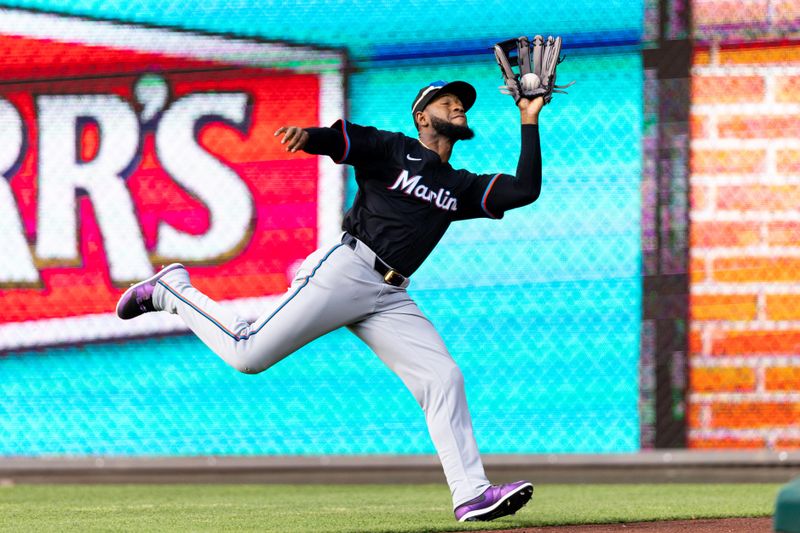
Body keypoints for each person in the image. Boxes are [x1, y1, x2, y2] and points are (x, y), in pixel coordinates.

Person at [116, 80, 543, 522]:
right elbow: (345, 138)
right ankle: (173, 291)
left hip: (392, 297)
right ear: (421, 116)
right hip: (347, 269)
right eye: (446, 102)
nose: (457, 107)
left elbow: (524, 190)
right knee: (248, 353)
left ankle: (471, 492)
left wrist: (528, 118)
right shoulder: (394, 149)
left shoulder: (461, 187)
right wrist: (310, 137)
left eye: (462, 105)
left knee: (443, 377)